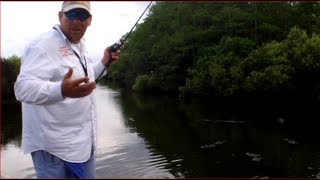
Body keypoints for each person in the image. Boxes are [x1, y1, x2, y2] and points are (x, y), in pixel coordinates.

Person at [14, 1, 120, 178]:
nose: (76, 21)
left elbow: (85, 78)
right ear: (60, 16)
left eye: (82, 15)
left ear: (90, 20)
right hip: (53, 150)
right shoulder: (42, 45)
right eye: (71, 14)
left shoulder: (80, 46)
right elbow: (22, 88)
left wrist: (104, 62)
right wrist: (60, 90)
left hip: (83, 146)